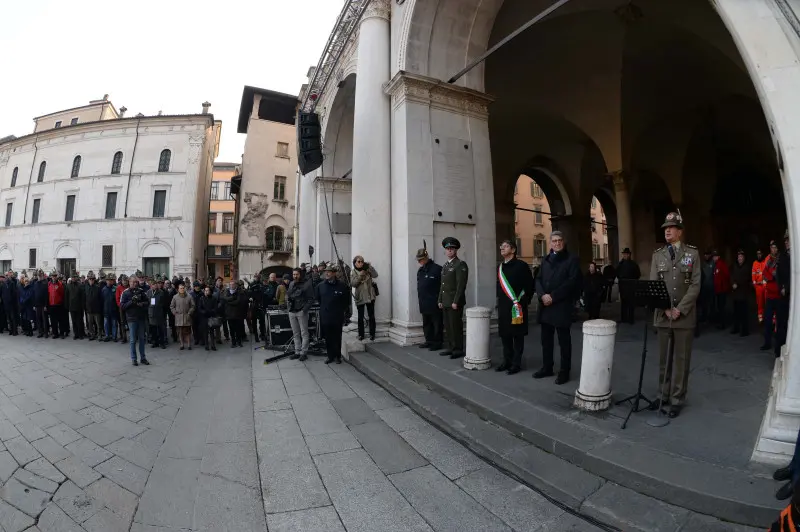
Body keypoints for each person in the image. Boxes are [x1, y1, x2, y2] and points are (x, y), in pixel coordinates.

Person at [648, 212, 701, 418]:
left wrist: (681, 309)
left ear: (680, 231)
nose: (667, 230)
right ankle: (663, 394)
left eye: (671, 227)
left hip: (684, 317)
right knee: (664, 359)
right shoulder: (657, 255)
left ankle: (677, 398)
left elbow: (695, 285)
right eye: (665, 228)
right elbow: (654, 285)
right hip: (663, 316)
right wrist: (665, 309)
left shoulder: (692, 254)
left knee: (681, 359)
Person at [534, 231, 581, 385]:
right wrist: (542, 295)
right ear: (550, 243)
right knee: (546, 340)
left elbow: (572, 282)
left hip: (561, 305)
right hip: (545, 305)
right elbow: (538, 279)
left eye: (560, 240)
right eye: (554, 241)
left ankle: (564, 372)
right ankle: (547, 367)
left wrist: (552, 296)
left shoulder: (572, 259)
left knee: (564, 341)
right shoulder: (545, 260)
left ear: (563, 242)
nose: (557, 243)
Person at [496, 240, 534, 375]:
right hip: (503, 307)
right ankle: (507, 360)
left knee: (517, 336)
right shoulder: (500, 267)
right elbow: (499, 287)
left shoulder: (521, 266)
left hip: (517, 306)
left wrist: (523, 301)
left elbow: (529, 285)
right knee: (505, 335)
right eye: (502, 246)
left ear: (513, 250)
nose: (502, 248)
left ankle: (516, 363)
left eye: (505, 246)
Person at [438, 237, 469, 359]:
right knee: (448, 326)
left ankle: (458, 349)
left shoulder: (460, 265)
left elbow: (461, 285)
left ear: (456, 250)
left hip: (454, 302)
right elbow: (442, 285)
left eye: (452, 249)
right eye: (447, 249)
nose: (449, 251)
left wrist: (456, 301)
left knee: (455, 326)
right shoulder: (446, 265)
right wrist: (440, 299)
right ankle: (451, 347)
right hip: (446, 301)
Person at [316, 264, 350, 364]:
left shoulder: (342, 286)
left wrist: (340, 310)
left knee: (337, 337)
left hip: (337, 316)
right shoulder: (320, 286)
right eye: (326, 271)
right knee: (328, 337)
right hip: (325, 316)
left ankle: (337, 356)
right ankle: (330, 356)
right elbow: (318, 299)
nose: (327, 273)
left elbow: (346, 301)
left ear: (334, 273)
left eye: (329, 271)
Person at [416, 245, 443, 351]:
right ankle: (429, 341)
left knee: (437, 323)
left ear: (426, 258)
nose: (419, 262)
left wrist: (440, 299)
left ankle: (437, 342)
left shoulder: (437, 269)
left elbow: (442, 286)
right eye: (418, 260)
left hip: (434, 301)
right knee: (426, 323)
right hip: (423, 301)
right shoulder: (420, 270)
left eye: (421, 260)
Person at [120, 277, 150, 366]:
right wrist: (131, 302)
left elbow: (147, 302)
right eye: (132, 282)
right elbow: (122, 306)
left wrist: (142, 304)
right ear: (129, 282)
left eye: (135, 282)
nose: (134, 283)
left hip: (141, 318)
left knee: (142, 338)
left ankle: (143, 358)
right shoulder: (125, 293)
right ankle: (134, 359)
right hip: (131, 319)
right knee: (133, 340)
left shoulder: (141, 291)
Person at [287, 268, 315, 361]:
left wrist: (304, 310)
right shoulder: (291, 283)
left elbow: (311, 299)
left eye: (297, 274)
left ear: (300, 274)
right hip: (292, 311)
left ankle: (304, 352)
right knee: (295, 333)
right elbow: (289, 296)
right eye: (294, 274)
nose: (295, 276)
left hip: (301, 311)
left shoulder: (307, 284)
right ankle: (297, 351)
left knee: (304, 332)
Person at [350, 255, 378, 341]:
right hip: (360, 297)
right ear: (355, 263)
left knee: (371, 316)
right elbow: (353, 284)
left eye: (362, 261)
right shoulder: (353, 272)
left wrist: (370, 267)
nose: (361, 263)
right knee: (360, 317)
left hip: (369, 296)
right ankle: (361, 334)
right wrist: (360, 276)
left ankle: (372, 334)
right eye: (358, 261)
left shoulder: (367, 269)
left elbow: (375, 275)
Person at [763, 240, 783, 354]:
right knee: (767, 320)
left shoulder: (780, 260)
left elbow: (779, 274)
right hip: (769, 296)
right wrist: (772, 277)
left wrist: (773, 276)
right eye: (772, 247)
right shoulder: (768, 260)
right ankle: (767, 343)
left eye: (775, 247)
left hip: (778, 296)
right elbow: (765, 274)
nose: (773, 249)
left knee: (779, 322)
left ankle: (778, 345)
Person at [616, 248, 640, 324]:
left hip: (631, 286)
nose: (625, 255)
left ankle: (630, 319)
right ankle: (624, 318)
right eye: (624, 254)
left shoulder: (634, 264)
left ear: (629, 255)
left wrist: (632, 281)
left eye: (626, 254)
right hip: (623, 286)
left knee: (631, 303)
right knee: (623, 303)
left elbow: (638, 274)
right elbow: (617, 273)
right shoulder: (620, 264)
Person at [777, 230, 791, 357]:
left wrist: (786, 287)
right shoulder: (782, 256)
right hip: (783, 295)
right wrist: (781, 287)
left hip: (793, 294)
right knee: (782, 323)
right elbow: (779, 274)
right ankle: (780, 351)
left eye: (788, 240)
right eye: (785, 240)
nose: (786, 242)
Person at [730, 249, 750, 337]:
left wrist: (737, 283)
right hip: (736, 293)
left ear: (744, 258)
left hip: (743, 293)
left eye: (741, 257)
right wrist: (732, 283)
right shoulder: (734, 265)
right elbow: (731, 276)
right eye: (739, 257)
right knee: (736, 312)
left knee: (744, 313)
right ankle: (736, 328)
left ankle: (744, 330)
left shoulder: (747, 267)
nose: (740, 258)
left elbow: (746, 278)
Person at [222, 280, 247, 347]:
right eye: (231, 284)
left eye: (233, 284)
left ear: (236, 285)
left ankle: (239, 342)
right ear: (229, 285)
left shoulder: (239, 292)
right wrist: (232, 298)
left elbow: (237, 302)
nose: (232, 286)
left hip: (237, 314)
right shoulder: (226, 291)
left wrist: (229, 302)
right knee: (231, 329)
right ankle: (233, 342)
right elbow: (225, 298)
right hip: (229, 314)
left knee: (238, 329)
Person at [170, 283, 195, 350]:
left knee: (188, 331)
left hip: (187, 316)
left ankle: (189, 344)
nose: (182, 289)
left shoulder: (189, 296)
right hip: (179, 317)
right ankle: (182, 344)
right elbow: (172, 306)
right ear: (178, 289)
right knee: (180, 331)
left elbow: (193, 306)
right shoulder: (175, 297)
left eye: (183, 288)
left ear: (185, 288)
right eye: (181, 288)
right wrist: (174, 312)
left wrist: (189, 312)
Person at [712, 250, 731, 329]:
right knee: (719, 307)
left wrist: (724, 285)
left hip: (722, 290)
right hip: (718, 290)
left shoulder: (721, 264)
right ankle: (720, 323)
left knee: (721, 307)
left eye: (715, 256)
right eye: (713, 256)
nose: (713, 258)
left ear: (718, 257)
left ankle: (723, 324)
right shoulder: (716, 265)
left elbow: (727, 275)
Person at [146, 279, 168, 349]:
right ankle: (155, 342)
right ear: (151, 286)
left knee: (160, 329)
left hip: (159, 312)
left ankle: (162, 343)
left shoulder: (161, 292)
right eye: (153, 285)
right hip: (151, 313)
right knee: (153, 329)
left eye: (155, 284)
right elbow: (147, 302)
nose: (154, 286)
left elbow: (163, 302)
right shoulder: (148, 292)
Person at [198, 285, 220, 351]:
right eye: (205, 290)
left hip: (211, 317)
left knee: (211, 332)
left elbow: (216, 308)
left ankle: (213, 345)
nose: (206, 292)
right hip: (204, 317)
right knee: (205, 332)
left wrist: (211, 312)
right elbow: (199, 308)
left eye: (207, 290)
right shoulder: (201, 298)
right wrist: (203, 312)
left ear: (210, 291)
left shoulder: (213, 298)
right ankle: (206, 345)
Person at [66, 273, 86, 339]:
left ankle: (80, 334)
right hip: (71, 307)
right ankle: (76, 334)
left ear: (77, 278)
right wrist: (67, 306)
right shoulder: (68, 285)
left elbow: (83, 297)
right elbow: (66, 297)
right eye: (72, 277)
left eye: (75, 277)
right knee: (74, 321)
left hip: (79, 307)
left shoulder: (80, 285)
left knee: (79, 321)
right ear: (71, 278)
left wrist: (82, 307)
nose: (74, 278)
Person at [84, 271, 104, 341]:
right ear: (88, 279)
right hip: (89, 309)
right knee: (90, 324)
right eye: (90, 279)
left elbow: (101, 299)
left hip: (96, 309)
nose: (91, 280)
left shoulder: (97, 288)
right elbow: (84, 298)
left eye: (92, 279)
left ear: (94, 279)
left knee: (98, 324)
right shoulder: (86, 287)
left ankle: (99, 335)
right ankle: (92, 335)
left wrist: (100, 308)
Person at [101, 273, 118, 342]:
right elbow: (101, 300)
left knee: (114, 324)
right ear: (106, 281)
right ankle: (107, 335)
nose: (110, 281)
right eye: (108, 280)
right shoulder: (104, 289)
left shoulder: (116, 289)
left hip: (114, 310)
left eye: (111, 280)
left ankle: (114, 336)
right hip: (106, 310)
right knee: (106, 324)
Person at [33, 270, 49, 338]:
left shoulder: (45, 283)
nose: (40, 277)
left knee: (44, 319)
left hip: (43, 305)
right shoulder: (35, 283)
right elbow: (34, 294)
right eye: (39, 276)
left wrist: (46, 305)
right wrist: (34, 305)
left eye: (41, 275)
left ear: (43, 276)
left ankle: (46, 332)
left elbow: (46, 295)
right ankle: (40, 332)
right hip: (37, 305)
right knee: (38, 319)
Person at [753, 249, 767, 324]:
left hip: (765, 286)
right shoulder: (754, 263)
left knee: (767, 302)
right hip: (758, 287)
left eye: (760, 253)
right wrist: (755, 286)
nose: (759, 255)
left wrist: (765, 283)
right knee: (759, 303)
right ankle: (760, 318)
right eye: (758, 254)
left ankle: (769, 318)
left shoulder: (765, 262)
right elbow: (753, 275)